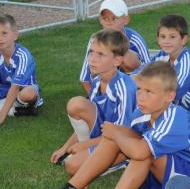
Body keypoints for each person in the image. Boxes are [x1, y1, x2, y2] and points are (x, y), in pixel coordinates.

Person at [26, 62, 190, 189]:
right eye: (139, 89)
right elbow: (122, 142)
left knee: (140, 151)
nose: (141, 97)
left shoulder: (176, 117)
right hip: (163, 174)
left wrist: (115, 134)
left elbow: (139, 151)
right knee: (120, 135)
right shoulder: (141, 113)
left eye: (149, 92)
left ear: (169, 96)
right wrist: (112, 136)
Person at [50, 29, 137, 174]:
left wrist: (85, 145)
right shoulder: (96, 83)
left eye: (101, 54)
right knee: (76, 104)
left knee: (72, 166)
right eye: (91, 52)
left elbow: (123, 133)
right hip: (104, 136)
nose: (92, 59)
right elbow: (85, 124)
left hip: (122, 142)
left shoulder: (124, 87)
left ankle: (122, 160)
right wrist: (65, 148)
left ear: (117, 61)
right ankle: (90, 154)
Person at [79, 0, 150, 94]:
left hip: (130, 88)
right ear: (100, 20)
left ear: (126, 19)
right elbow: (84, 79)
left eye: (114, 18)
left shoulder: (135, 40)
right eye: (105, 18)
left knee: (125, 56)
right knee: (76, 102)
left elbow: (150, 71)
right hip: (102, 91)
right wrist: (94, 98)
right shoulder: (95, 40)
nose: (109, 22)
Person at [146, 15, 190, 112]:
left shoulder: (189, 62)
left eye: (172, 37)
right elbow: (143, 73)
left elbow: (171, 92)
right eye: (163, 37)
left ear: (183, 40)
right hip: (176, 107)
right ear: (158, 39)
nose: (167, 41)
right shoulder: (162, 55)